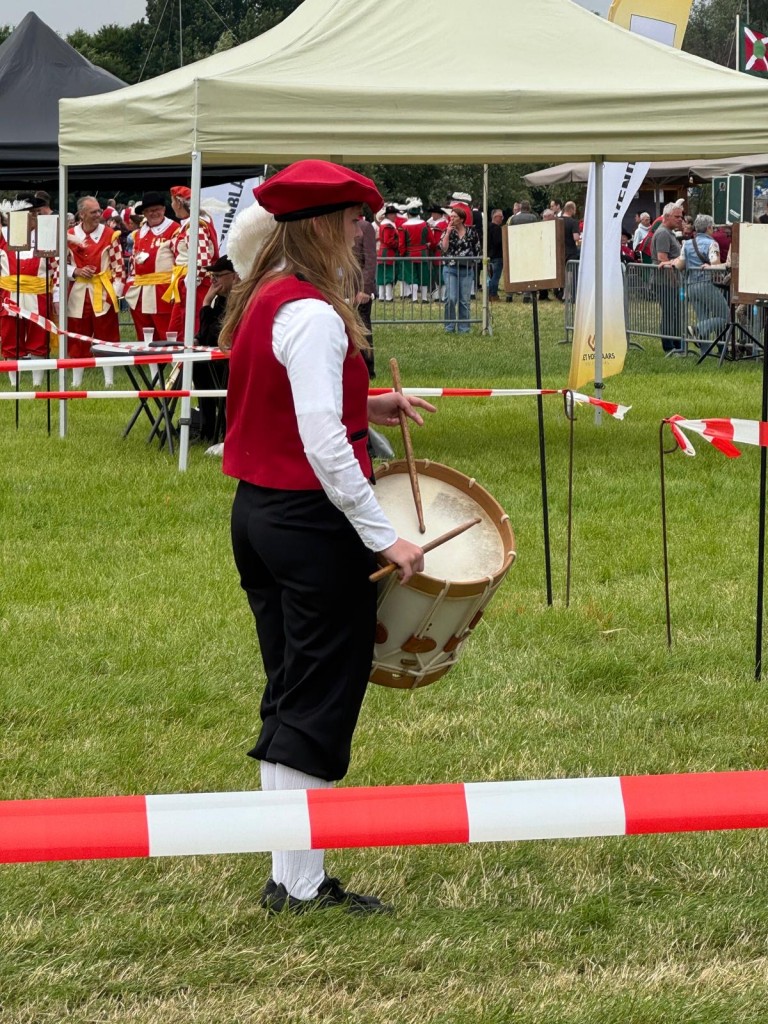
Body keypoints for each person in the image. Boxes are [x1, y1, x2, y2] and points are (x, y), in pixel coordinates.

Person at [219, 159, 435, 915]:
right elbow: (320, 443)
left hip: (261, 514)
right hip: (308, 523)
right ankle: (303, 886)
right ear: (320, 227)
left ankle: (291, 877)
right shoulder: (310, 311)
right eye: (350, 220)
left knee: (289, 697)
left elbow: (291, 400)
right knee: (314, 703)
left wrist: (368, 403)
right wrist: (386, 538)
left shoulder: (269, 300)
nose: (360, 234)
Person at [0, 194, 59, 386]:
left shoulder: (46, 234)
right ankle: (13, 383)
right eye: (31, 214)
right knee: (10, 337)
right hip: (9, 294)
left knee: (38, 336)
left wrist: (56, 295)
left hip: (38, 293)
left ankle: (37, 383)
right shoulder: (3, 236)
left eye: (36, 214)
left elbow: (57, 267)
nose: (35, 217)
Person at [66, 195, 125, 385]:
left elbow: (119, 268)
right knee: (77, 336)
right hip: (78, 293)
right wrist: (75, 271)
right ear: (82, 214)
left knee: (106, 336)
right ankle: (76, 382)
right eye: (93, 212)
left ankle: (109, 380)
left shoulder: (110, 235)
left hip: (103, 291)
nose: (98, 215)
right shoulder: (68, 235)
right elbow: (58, 264)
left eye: (99, 211)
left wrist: (114, 295)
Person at [664, 212, 728, 348]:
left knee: (703, 316)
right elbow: (715, 265)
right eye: (713, 228)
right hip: (706, 285)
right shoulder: (712, 244)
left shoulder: (687, 243)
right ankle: (697, 328)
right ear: (709, 228)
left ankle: (704, 351)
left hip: (690, 286)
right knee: (725, 316)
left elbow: (680, 265)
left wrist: (668, 263)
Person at [192, 254, 237, 444]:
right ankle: (208, 427)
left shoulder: (239, 300)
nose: (213, 280)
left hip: (233, 363)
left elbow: (213, 337)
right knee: (197, 365)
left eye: (218, 275)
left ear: (234, 276)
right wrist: (206, 304)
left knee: (203, 367)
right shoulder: (220, 300)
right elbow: (203, 338)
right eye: (212, 276)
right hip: (217, 359)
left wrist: (205, 305)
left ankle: (219, 428)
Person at [165, 185, 219, 338]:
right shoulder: (191, 224)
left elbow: (202, 259)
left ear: (179, 203)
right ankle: (182, 361)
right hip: (187, 282)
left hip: (196, 285)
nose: (172, 206)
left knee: (191, 327)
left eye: (172, 202)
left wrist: (192, 280)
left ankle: (191, 361)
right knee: (177, 328)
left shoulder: (195, 225)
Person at [124, 190, 178, 342]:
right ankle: (153, 366)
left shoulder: (175, 230)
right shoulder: (138, 233)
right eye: (149, 210)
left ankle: (177, 365)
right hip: (140, 294)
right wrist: (129, 287)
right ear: (144, 213)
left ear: (164, 209)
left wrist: (175, 290)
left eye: (157, 209)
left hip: (164, 292)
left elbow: (180, 261)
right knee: (145, 336)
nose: (154, 213)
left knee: (168, 335)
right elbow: (134, 263)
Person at [651, 201, 685, 355]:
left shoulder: (669, 232)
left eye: (681, 216)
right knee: (669, 314)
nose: (680, 219)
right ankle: (669, 347)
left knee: (674, 313)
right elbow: (662, 258)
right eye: (677, 216)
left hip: (670, 282)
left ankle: (677, 344)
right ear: (666, 217)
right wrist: (674, 281)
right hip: (664, 282)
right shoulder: (663, 233)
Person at [440, 203, 480, 332]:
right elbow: (443, 248)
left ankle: (464, 328)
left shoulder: (472, 231)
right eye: (450, 216)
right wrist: (447, 233)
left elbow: (477, 248)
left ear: (462, 219)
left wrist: (474, 261)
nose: (451, 219)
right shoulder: (447, 231)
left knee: (464, 300)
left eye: (454, 217)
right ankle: (449, 326)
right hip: (450, 268)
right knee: (450, 298)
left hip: (467, 269)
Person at [352, 210, 377, 377]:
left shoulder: (365, 227)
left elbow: (370, 259)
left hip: (360, 288)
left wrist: (365, 289)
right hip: (344, 287)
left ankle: (368, 369)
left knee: (363, 329)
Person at [487, 209, 504, 301]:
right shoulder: (497, 229)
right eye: (500, 216)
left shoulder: (487, 227)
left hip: (489, 255)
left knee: (490, 276)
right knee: (495, 277)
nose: (502, 218)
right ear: (495, 217)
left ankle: (489, 293)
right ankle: (493, 294)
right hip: (497, 255)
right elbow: (498, 242)